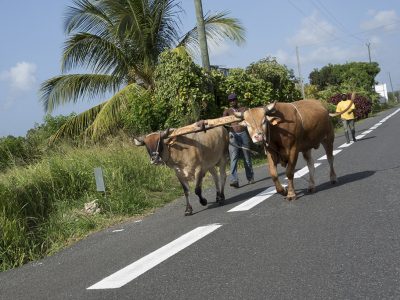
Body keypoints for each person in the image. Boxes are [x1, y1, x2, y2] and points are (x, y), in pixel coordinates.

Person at [223, 93, 254, 188]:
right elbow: (223, 123)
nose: (232, 102)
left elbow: (250, 118)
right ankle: (234, 180)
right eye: (230, 101)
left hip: (244, 134)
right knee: (234, 158)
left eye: (234, 100)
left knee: (247, 158)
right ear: (229, 102)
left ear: (237, 100)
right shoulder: (227, 111)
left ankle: (250, 178)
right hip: (233, 135)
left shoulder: (243, 109)